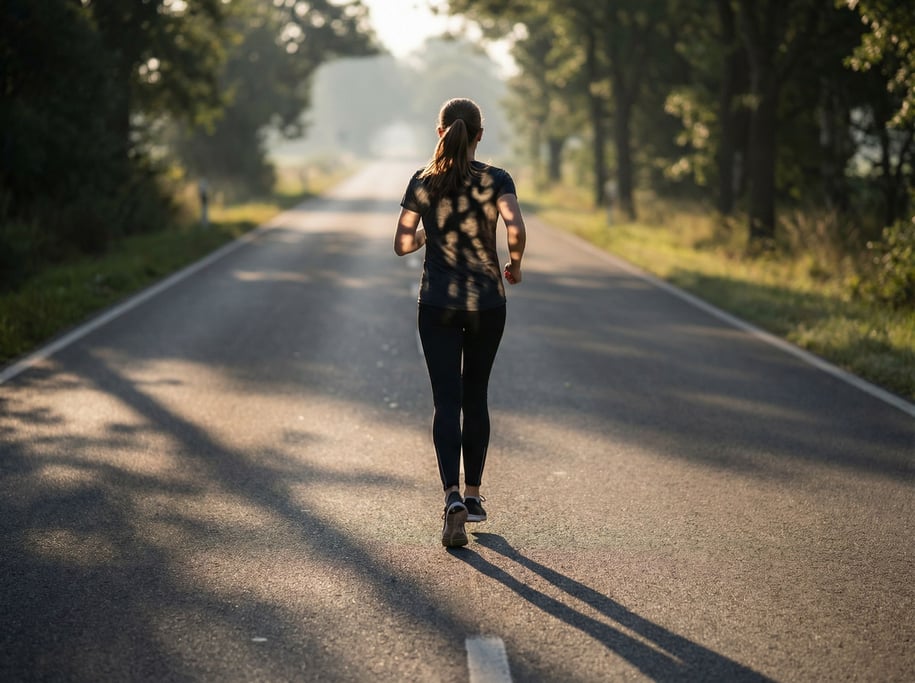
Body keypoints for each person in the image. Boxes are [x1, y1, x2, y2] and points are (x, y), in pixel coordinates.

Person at [394, 97, 527, 548]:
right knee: (477, 396)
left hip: (437, 304)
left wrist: (430, 234)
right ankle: (473, 497)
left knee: (446, 399)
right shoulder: (497, 179)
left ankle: (450, 494)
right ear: (479, 136)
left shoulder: (424, 182)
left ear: (441, 133)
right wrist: (515, 262)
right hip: (487, 304)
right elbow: (515, 225)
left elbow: (401, 242)